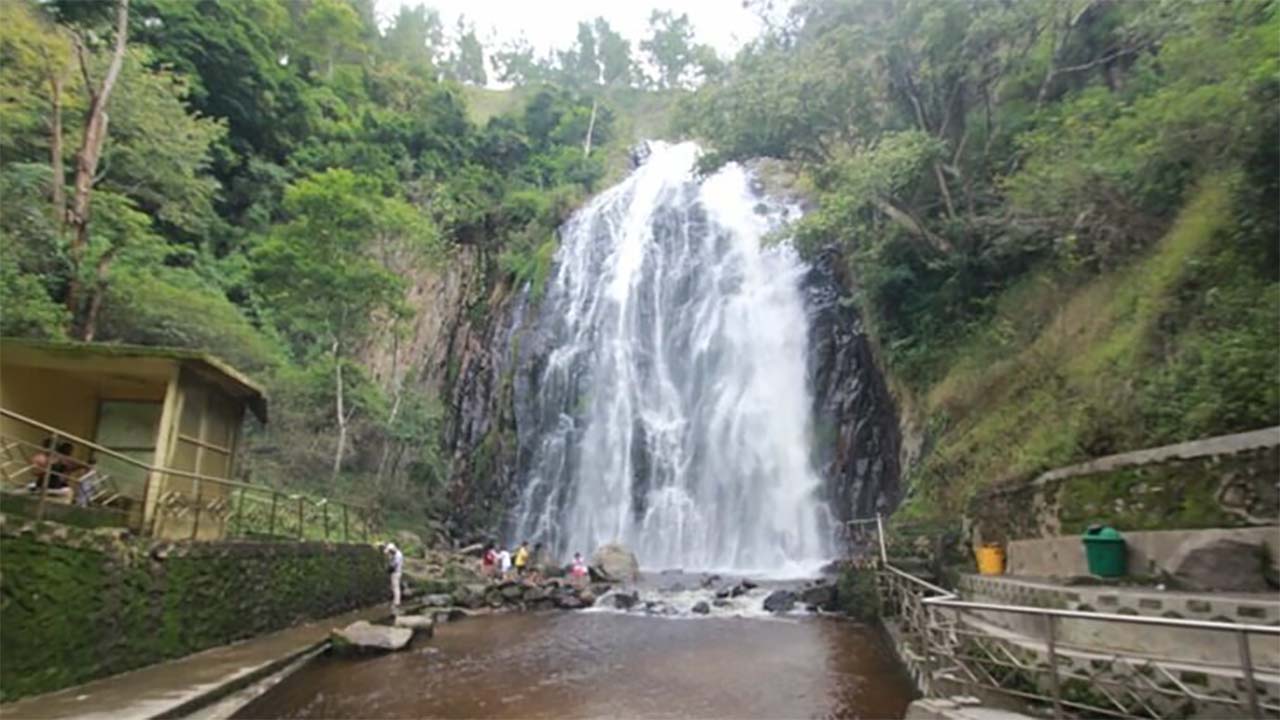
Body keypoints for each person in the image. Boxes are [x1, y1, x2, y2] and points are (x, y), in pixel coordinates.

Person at [384, 542, 404, 611]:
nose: (390, 552)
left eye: (390, 551)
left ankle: (397, 602)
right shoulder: (396, 554)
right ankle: (395, 600)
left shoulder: (397, 555)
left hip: (396, 572)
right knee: (394, 587)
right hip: (396, 572)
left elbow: (394, 565)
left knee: (396, 587)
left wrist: (388, 568)